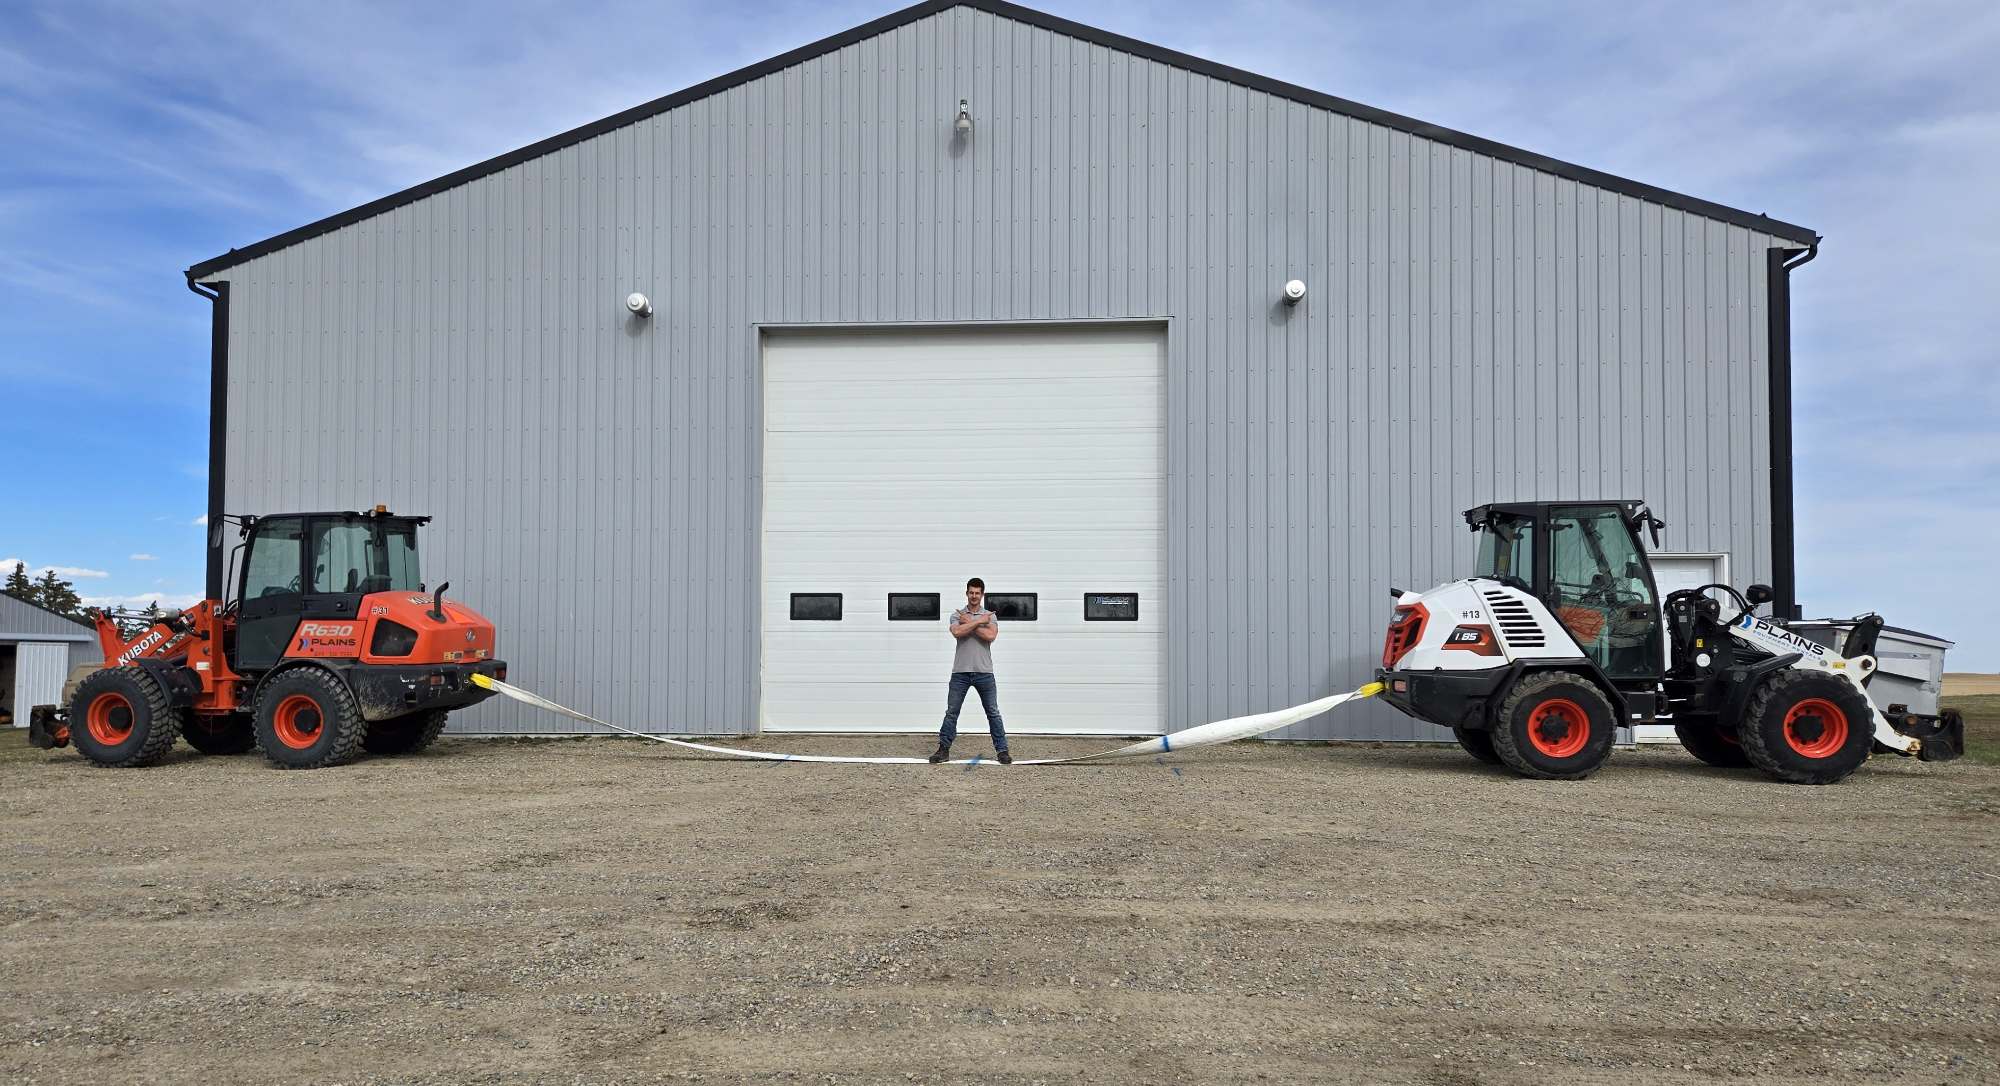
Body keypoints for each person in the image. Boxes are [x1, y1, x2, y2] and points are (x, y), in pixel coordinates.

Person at [929, 577, 1010, 764]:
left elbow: (990, 636)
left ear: (982, 595)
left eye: (977, 593)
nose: (974, 596)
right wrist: (977, 622)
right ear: (967, 593)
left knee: (993, 712)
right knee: (952, 712)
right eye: (971, 592)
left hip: (984, 672)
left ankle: (1002, 751)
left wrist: (970, 623)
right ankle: (943, 750)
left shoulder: (990, 615)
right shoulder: (957, 615)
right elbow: (957, 632)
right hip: (960, 672)